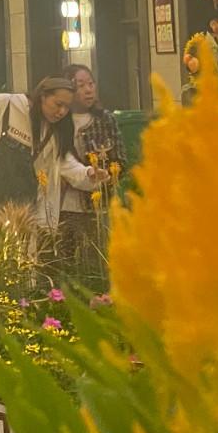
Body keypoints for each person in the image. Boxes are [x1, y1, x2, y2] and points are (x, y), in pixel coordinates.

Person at [0, 76, 96, 228]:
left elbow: (64, 163)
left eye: (67, 107)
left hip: (20, 215)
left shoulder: (52, 133)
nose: (62, 112)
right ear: (43, 96)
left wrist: (88, 173)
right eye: (58, 104)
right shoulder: (4, 105)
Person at [57, 63, 122, 275]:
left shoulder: (106, 120)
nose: (88, 90)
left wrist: (105, 176)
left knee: (97, 265)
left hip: (97, 207)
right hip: (65, 208)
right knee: (66, 266)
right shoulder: (58, 121)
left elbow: (120, 160)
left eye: (91, 84)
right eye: (81, 85)